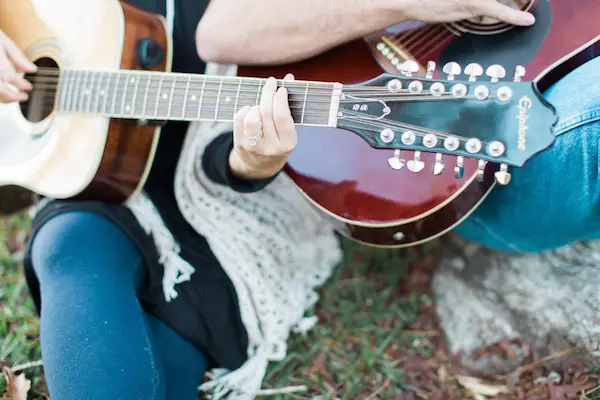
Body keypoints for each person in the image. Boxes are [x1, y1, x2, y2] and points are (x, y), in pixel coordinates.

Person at [0, 0, 594, 399]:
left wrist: (249, 162)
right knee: (69, 246)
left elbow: (221, 36)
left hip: (250, 121)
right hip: (97, 160)